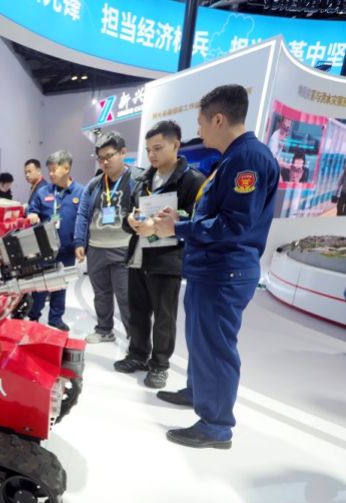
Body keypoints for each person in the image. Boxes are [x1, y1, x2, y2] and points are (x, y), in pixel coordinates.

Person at [153, 84, 279, 449]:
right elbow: (218, 215)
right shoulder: (234, 158)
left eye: (201, 123)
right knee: (201, 339)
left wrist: (177, 228)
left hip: (226, 271)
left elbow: (235, 224)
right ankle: (198, 392)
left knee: (216, 345)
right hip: (211, 268)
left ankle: (216, 424)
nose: (199, 131)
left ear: (219, 119)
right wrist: (180, 217)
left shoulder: (248, 160)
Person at [114, 120, 204, 389]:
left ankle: (160, 364)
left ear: (175, 145)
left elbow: (196, 221)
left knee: (164, 316)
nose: (151, 155)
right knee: (138, 311)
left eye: (157, 148)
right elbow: (128, 216)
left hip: (167, 260)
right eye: (148, 149)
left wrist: (173, 223)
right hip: (139, 254)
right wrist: (130, 221)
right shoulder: (142, 180)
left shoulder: (192, 180)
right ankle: (137, 354)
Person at [74, 132, 139, 344]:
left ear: (123, 153)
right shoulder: (94, 184)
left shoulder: (136, 180)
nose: (105, 162)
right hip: (96, 249)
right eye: (100, 158)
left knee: (126, 296)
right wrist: (79, 242)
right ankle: (104, 329)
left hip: (124, 248)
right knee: (101, 293)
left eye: (109, 156)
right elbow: (83, 214)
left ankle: (135, 338)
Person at [27, 150, 84, 331]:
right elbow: (31, 209)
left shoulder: (80, 192)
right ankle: (33, 315)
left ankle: (56, 318)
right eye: (49, 170)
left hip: (67, 249)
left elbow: (83, 220)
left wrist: (80, 244)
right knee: (40, 285)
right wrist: (32, 214)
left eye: (54, 170)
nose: (50, 174)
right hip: (44, 248)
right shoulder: (43, 192)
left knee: (61, 285)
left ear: (67, 168)